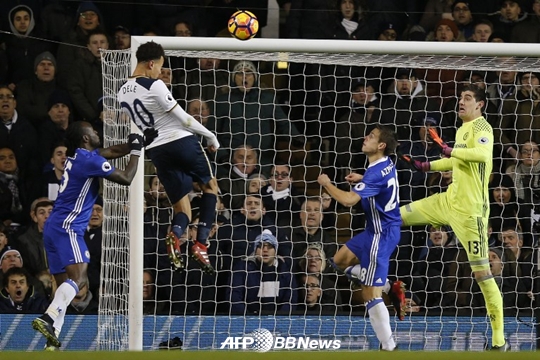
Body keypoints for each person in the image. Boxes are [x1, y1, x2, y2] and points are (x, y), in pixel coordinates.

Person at [399, 84, 509, 351]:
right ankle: (363, 269)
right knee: (394, 217)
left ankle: (498, 341)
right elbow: (456, 161)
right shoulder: (462, 129)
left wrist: (450, 151)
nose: (462, 102)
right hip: (448, 200)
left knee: (482, 275)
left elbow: (482, 156)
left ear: (480, 104)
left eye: (468, 98)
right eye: (460, 98)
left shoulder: (483, 129)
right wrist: (427, 166)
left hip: (471, 213)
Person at [31, 121, 146, 349]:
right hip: (68, 227)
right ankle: (48, 317)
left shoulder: (80, 158)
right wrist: (136, 152)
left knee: (64, 286)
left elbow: (112, 151)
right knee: (80, 279)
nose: (97, 132)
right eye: (92, 131)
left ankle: (52, 339)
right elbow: (126, 177)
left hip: (54, 227)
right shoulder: (88, 160)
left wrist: (141, 142)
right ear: (85, 138)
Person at [117, 41, 220, 274]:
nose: (159, 73)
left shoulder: (122, 91)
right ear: (151, 63)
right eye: (159, 68)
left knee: (182, 207)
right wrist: (210, 136)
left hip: (157, 151)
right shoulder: (155, 85)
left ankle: (174, 236)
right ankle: (201, 244)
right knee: (210, 187)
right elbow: (184, 118)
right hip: (180, 141)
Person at [316, 125, 405, 351]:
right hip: (374, 231)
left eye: (372, 137)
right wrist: (362, 178)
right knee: (339, 261)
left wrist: (327, 184)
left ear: (381, 146)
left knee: (368, 293)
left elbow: (348, 201)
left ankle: (389, 346)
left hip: (381, 235)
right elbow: (378, 183)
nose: (366, 138)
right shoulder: (383, 165)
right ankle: (388, 287)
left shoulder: (375, 172)